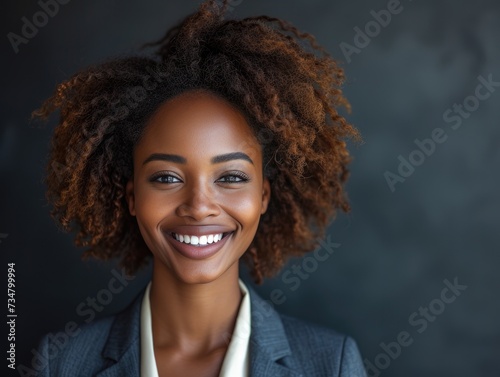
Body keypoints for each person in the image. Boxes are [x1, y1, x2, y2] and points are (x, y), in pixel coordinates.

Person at [33, 0, 366, 376]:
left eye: (231, 177)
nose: (199, 205)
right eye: (166, 178)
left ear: (263, 197)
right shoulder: (60, 363)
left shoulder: (331, 364)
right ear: (131, 198)